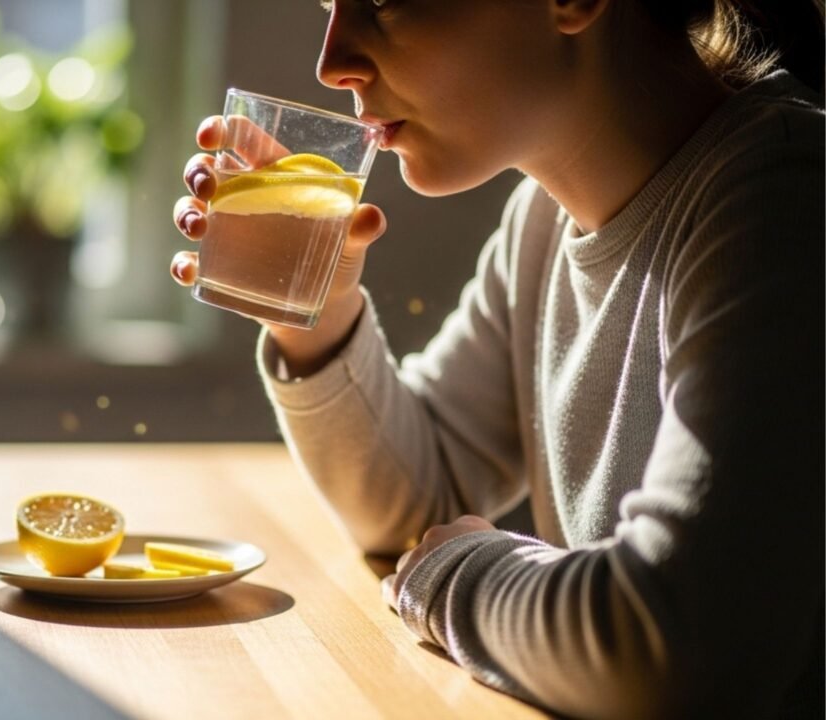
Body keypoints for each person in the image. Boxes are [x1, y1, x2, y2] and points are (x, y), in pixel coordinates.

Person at [171, 1, 824, 717]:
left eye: (383, 2)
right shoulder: (543, 220)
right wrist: (318, 316)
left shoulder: (786, 205)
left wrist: (451, 578)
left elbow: (676, 645)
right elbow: (424, 499)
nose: (332, 64)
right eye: (331, 6)